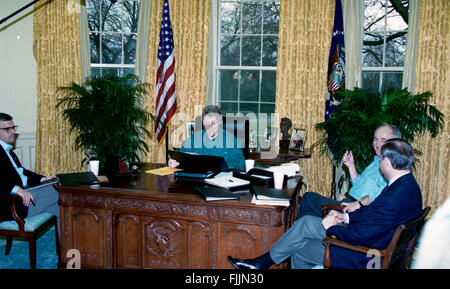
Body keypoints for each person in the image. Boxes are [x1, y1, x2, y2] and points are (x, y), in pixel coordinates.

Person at [228, 138, 423, 269]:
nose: (380, 163)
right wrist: (345, 216)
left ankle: (260, 264)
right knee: (305, 224)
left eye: (381, 160)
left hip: (366, 255)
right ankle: (260, 263)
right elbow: (372, 213)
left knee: (300, 250)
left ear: (388, 163)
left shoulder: (394, 196)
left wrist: (334, 227)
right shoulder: (409, 186)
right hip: (374, 240)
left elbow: (361, 236)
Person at [298, 123, 402, 218]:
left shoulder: (392, 168)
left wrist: (358, 204)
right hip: (348, 202)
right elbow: (358, 183)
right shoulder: (376, 160)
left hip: (356, 210)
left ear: (396, 143)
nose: (377, 144)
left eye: (383, 140)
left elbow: (380, 197)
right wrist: (351, 166)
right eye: (375, 139)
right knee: (308, 208)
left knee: (308, 199)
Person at [0, 112, 57, 222]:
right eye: (7, 129)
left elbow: (22, 172)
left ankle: (68, 239)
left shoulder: (8, 151)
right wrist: (17, 190)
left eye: (13, 128)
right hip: (12, 203)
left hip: (26, 193)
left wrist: (43, 179)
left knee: (61, 208)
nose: (12, 132)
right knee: (61, 190)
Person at [169, 105, 245, 171]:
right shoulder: (195, 138)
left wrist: (220, 165)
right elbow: (181, 156)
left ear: (220, 121)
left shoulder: (231, 139)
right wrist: (174, 161)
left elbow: (240, 163)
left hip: (221, 179)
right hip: (198, 179)